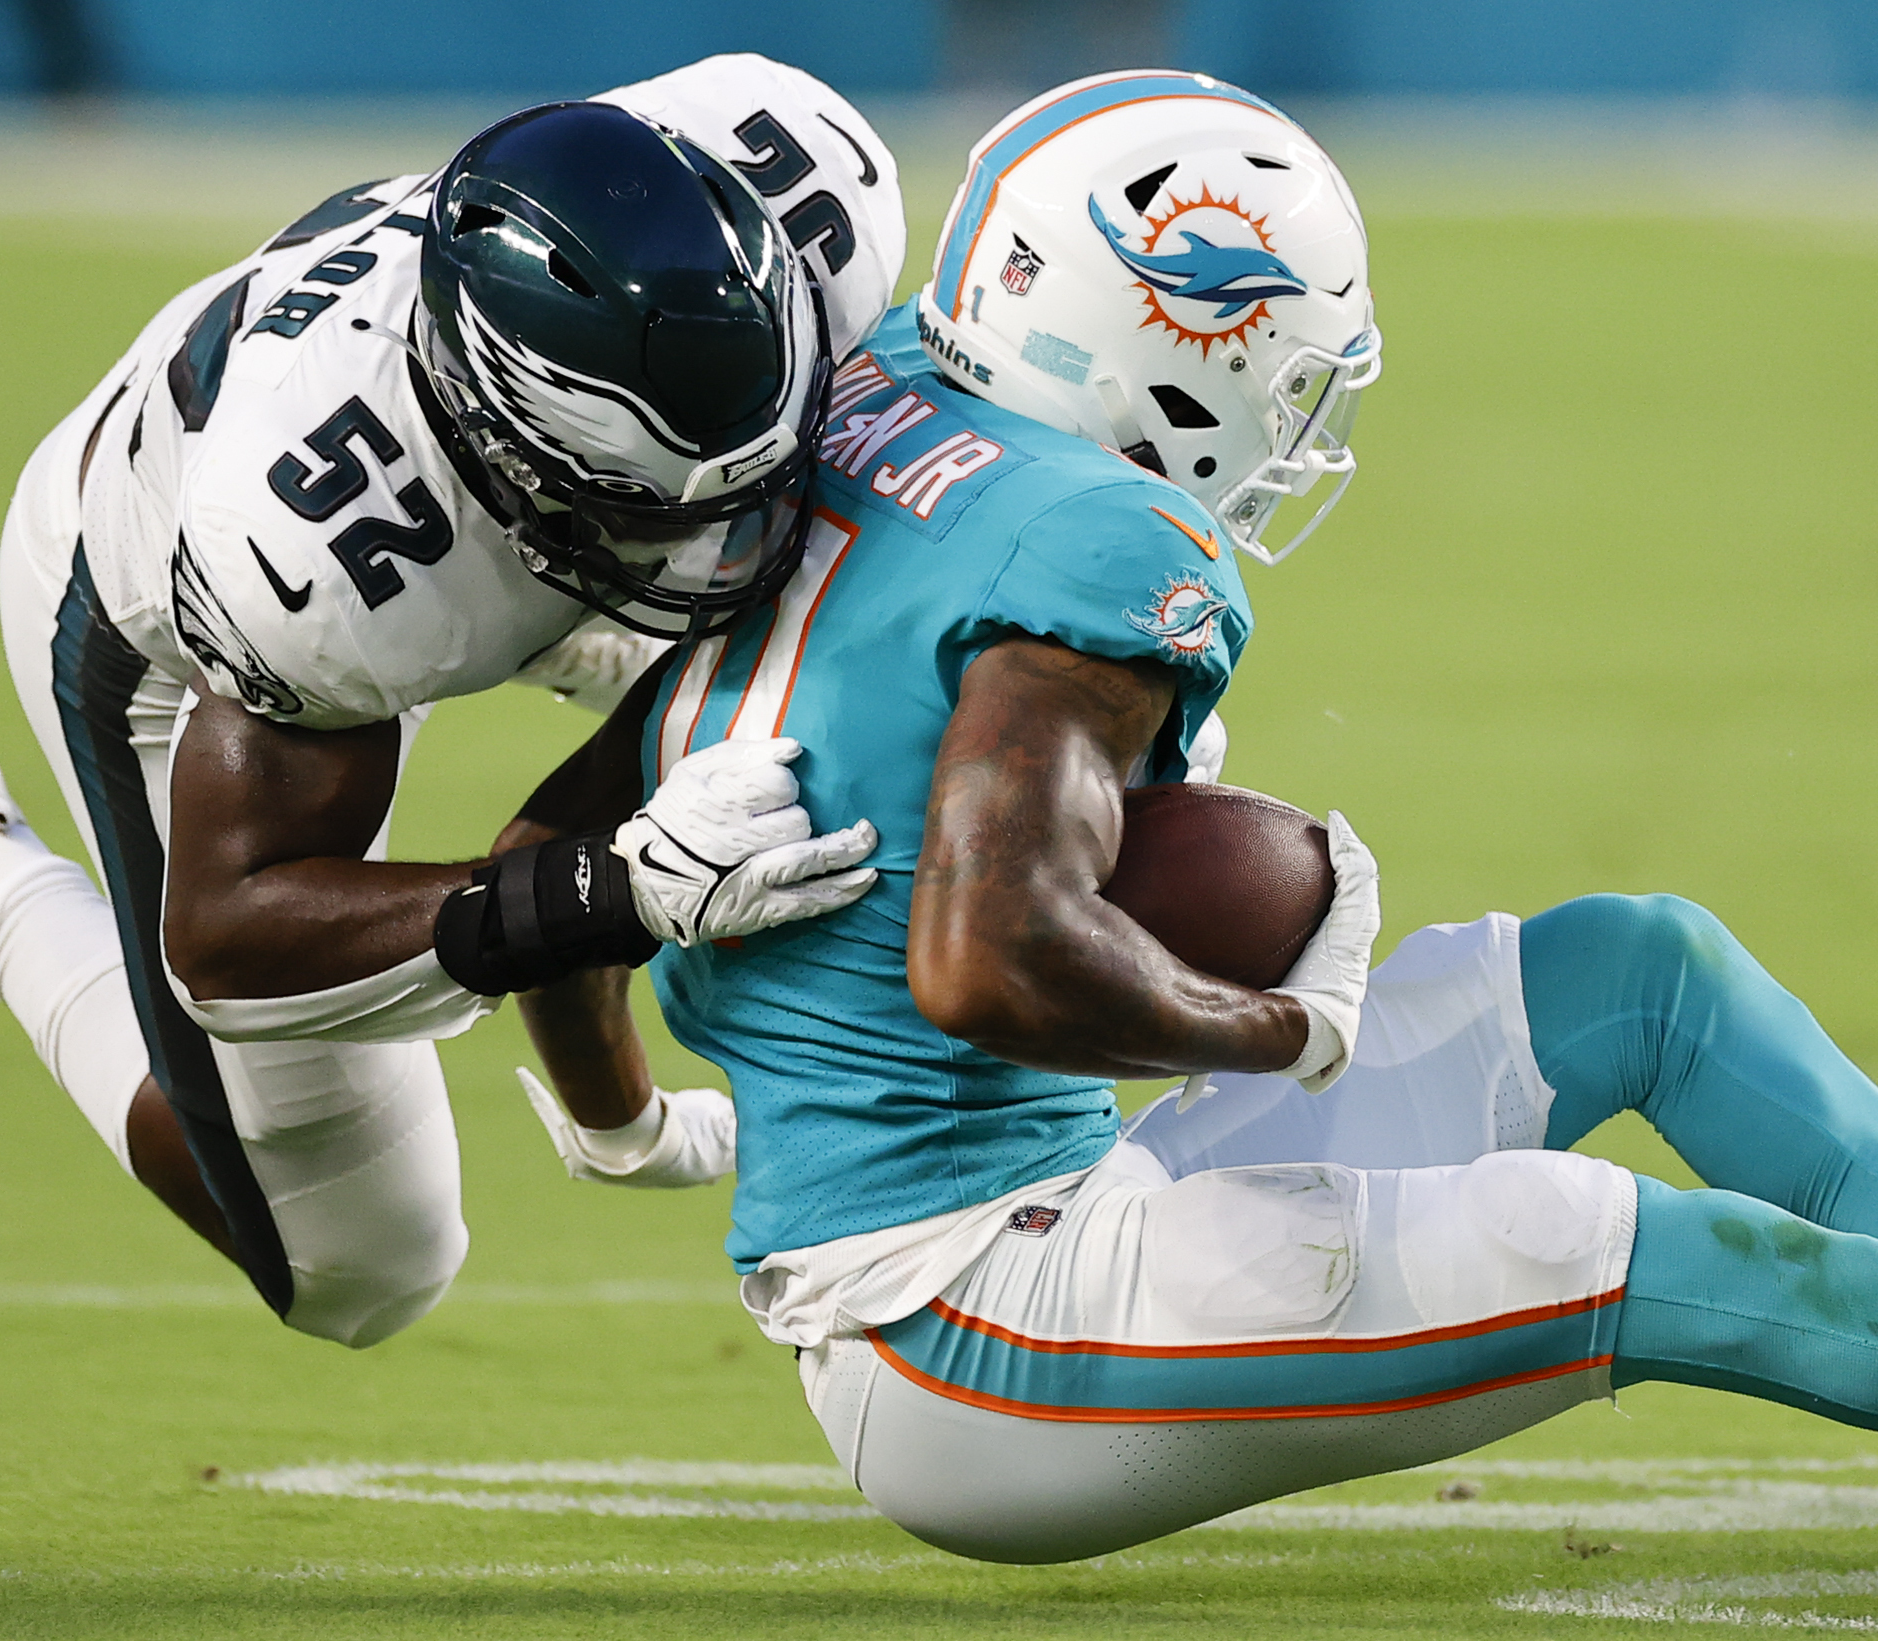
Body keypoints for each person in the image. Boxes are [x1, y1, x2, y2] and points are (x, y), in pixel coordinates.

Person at [502, 69, 1878, 1565]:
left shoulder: (874, 394)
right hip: (976, 1327)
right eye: (1286, 366)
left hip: (1051, 1210)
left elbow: (543, 868)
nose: (1296, 415)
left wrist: (624, 1123)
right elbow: (984, 961)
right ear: (1169, 330)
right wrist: (1284, 1025)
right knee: (1607, 1239)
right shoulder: (1098, 538)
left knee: (1643, 975)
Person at [0, 55, 901, 1350]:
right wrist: (605, 894)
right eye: (662, 519)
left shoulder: (798, 185)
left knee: (830, 682)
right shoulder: (312, 560)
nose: (724, 554)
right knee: (362, 1262)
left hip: (488, 549)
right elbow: (229, 940)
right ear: (506, 448)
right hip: (152, 606)